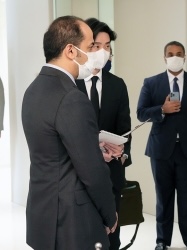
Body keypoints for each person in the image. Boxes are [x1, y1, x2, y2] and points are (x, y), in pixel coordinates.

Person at [21, 16, 120, 250]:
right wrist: (110, 214)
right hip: (72, 221)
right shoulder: (72, 97)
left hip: (42, 213)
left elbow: (52, 149)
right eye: (89, 48)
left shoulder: (33, 89)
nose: (94, 55)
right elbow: (92, 171)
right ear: (70, 51)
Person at [137, 41, 187, 250]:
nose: (175, 57)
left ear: (184, 56)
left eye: (179, 53)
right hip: (161, 151)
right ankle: (162, 241)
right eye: (170, 54)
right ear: (164, 57)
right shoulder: (151, 83)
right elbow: (141, 113)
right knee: (163, 198)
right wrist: (162, 109)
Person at [76, 17, 132, 250]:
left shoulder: (117, 84)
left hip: (111, 176)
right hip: (79, 178)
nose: (103, 51)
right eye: (97, 46)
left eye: (107, 46)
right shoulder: (71, 83)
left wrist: (121, 152)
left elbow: (125, 130)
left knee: (111, 238)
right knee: (82, 237)